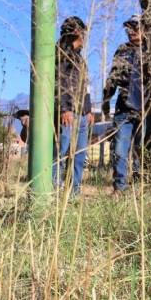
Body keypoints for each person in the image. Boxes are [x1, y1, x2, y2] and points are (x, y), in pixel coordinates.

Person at [102, 14, 145, 196]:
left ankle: (140, 185)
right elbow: (112, 78)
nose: (130, 31)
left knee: (141, 149)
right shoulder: (122, 50)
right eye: (128, 27)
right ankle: (119, 187)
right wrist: (106, 101)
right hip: (123, 108)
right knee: (120, 149)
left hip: (146, 109)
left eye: (134, 27)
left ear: (144, 29)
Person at [54, 16, 93, 194]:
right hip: (67, 113)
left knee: (79, 156)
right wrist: (64, 109)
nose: (85, 36)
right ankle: (53, 189)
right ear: (76, 31)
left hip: (81, 114)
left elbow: (84, 86)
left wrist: (88, 111)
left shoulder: (79, 59)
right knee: (59, 153)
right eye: (83, 32)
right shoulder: (60, 53)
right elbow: (57, 82)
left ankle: (74, 192)